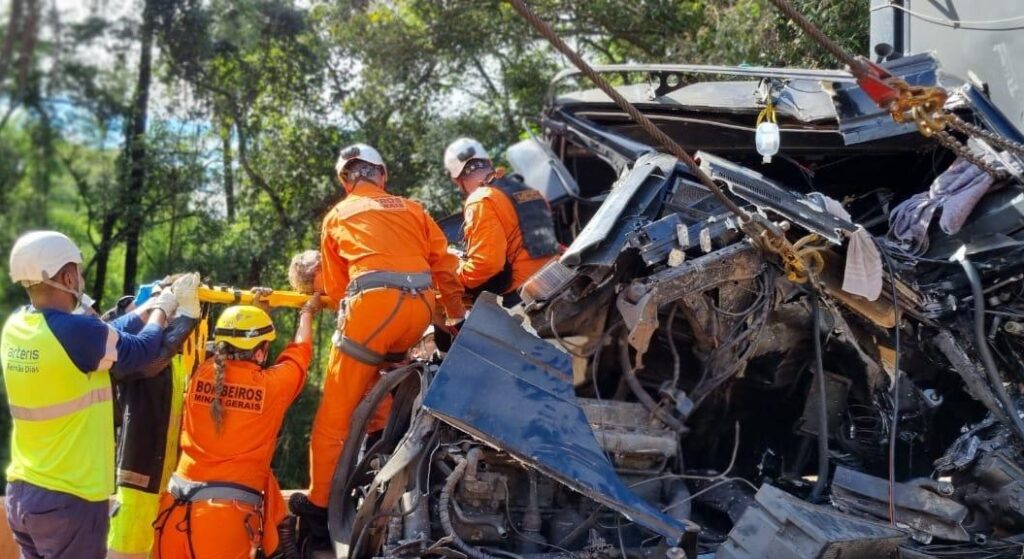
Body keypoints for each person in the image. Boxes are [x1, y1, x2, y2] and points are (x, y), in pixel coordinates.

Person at [291, 143, 464, 543]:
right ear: (382, 175)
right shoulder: (413, 208)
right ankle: (378, 477)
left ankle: (319, 513)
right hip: (419, 307)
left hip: (373, 310)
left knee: (333, 419)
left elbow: (336, 288)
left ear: (345, 180)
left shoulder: (337, 214)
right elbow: (444, 263)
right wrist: (453, 314)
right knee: (387, 394)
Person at [1, 230, 189, 559]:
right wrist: (165, 307)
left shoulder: (16, 327)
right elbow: (142, 350)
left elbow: (109, 334)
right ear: (69, 276)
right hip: (70, 499)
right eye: (80, 272)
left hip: (23, 494)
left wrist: (149, 306)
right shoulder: (76, 333)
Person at [154, 298, 320, 558]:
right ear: (261, 352)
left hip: (174, 514)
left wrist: (255, 311)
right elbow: (300, 351)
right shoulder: (272, 387)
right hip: (224, 524)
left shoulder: (202, 374)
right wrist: (307, 312)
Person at [107, 274, 203, 559]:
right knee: (127, 547)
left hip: (169, 478)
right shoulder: (136, 351)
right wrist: (181, 316)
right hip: (139, 474)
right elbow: (147, 364)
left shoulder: (173, 355)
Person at [443, 137, 560, 306]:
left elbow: (487, 264)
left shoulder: (480, 199)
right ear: (489, 161)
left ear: (456, 180)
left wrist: (455, 278)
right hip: (558, 274)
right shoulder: (528, 190)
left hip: (526, 296)